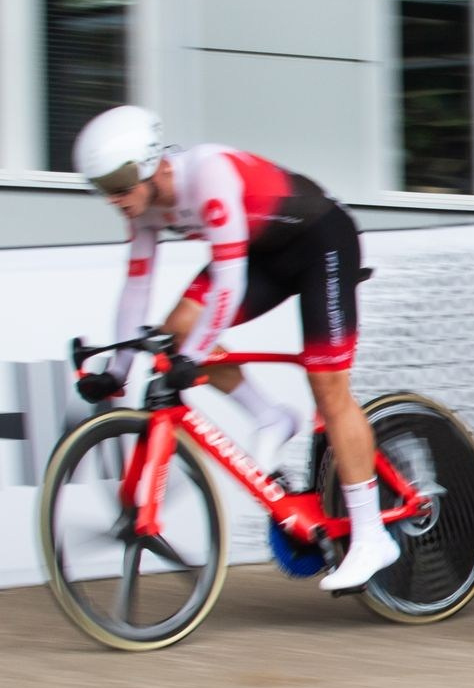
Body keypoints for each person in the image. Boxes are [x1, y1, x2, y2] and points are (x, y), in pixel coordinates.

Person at [72, 106, 399, 592]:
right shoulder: (142, 208)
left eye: (119, 183)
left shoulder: (208, 174)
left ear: (147, 164)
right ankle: (270, 415)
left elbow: (228, 281)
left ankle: (373, 536)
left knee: (328, 388)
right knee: (177, 329)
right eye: (102, 188)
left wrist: (194, 358)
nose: (114, 198)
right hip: (263, 253)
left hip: (321, 242)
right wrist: (119, 372)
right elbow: (136, 289)